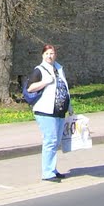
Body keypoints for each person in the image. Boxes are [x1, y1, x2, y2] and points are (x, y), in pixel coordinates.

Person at [25, 44, 71, 182]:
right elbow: (30, 88)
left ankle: (52, 169)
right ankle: (47, 173)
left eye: (52, 53)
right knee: (50, 141)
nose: (49, 56)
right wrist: (45, 82)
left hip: (59, 110)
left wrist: (70, 105)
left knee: (56, 142)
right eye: (47, 54)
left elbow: (64, 87)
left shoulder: (59, 69)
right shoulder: (39, 70)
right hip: (45, 111)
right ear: (42, 55)